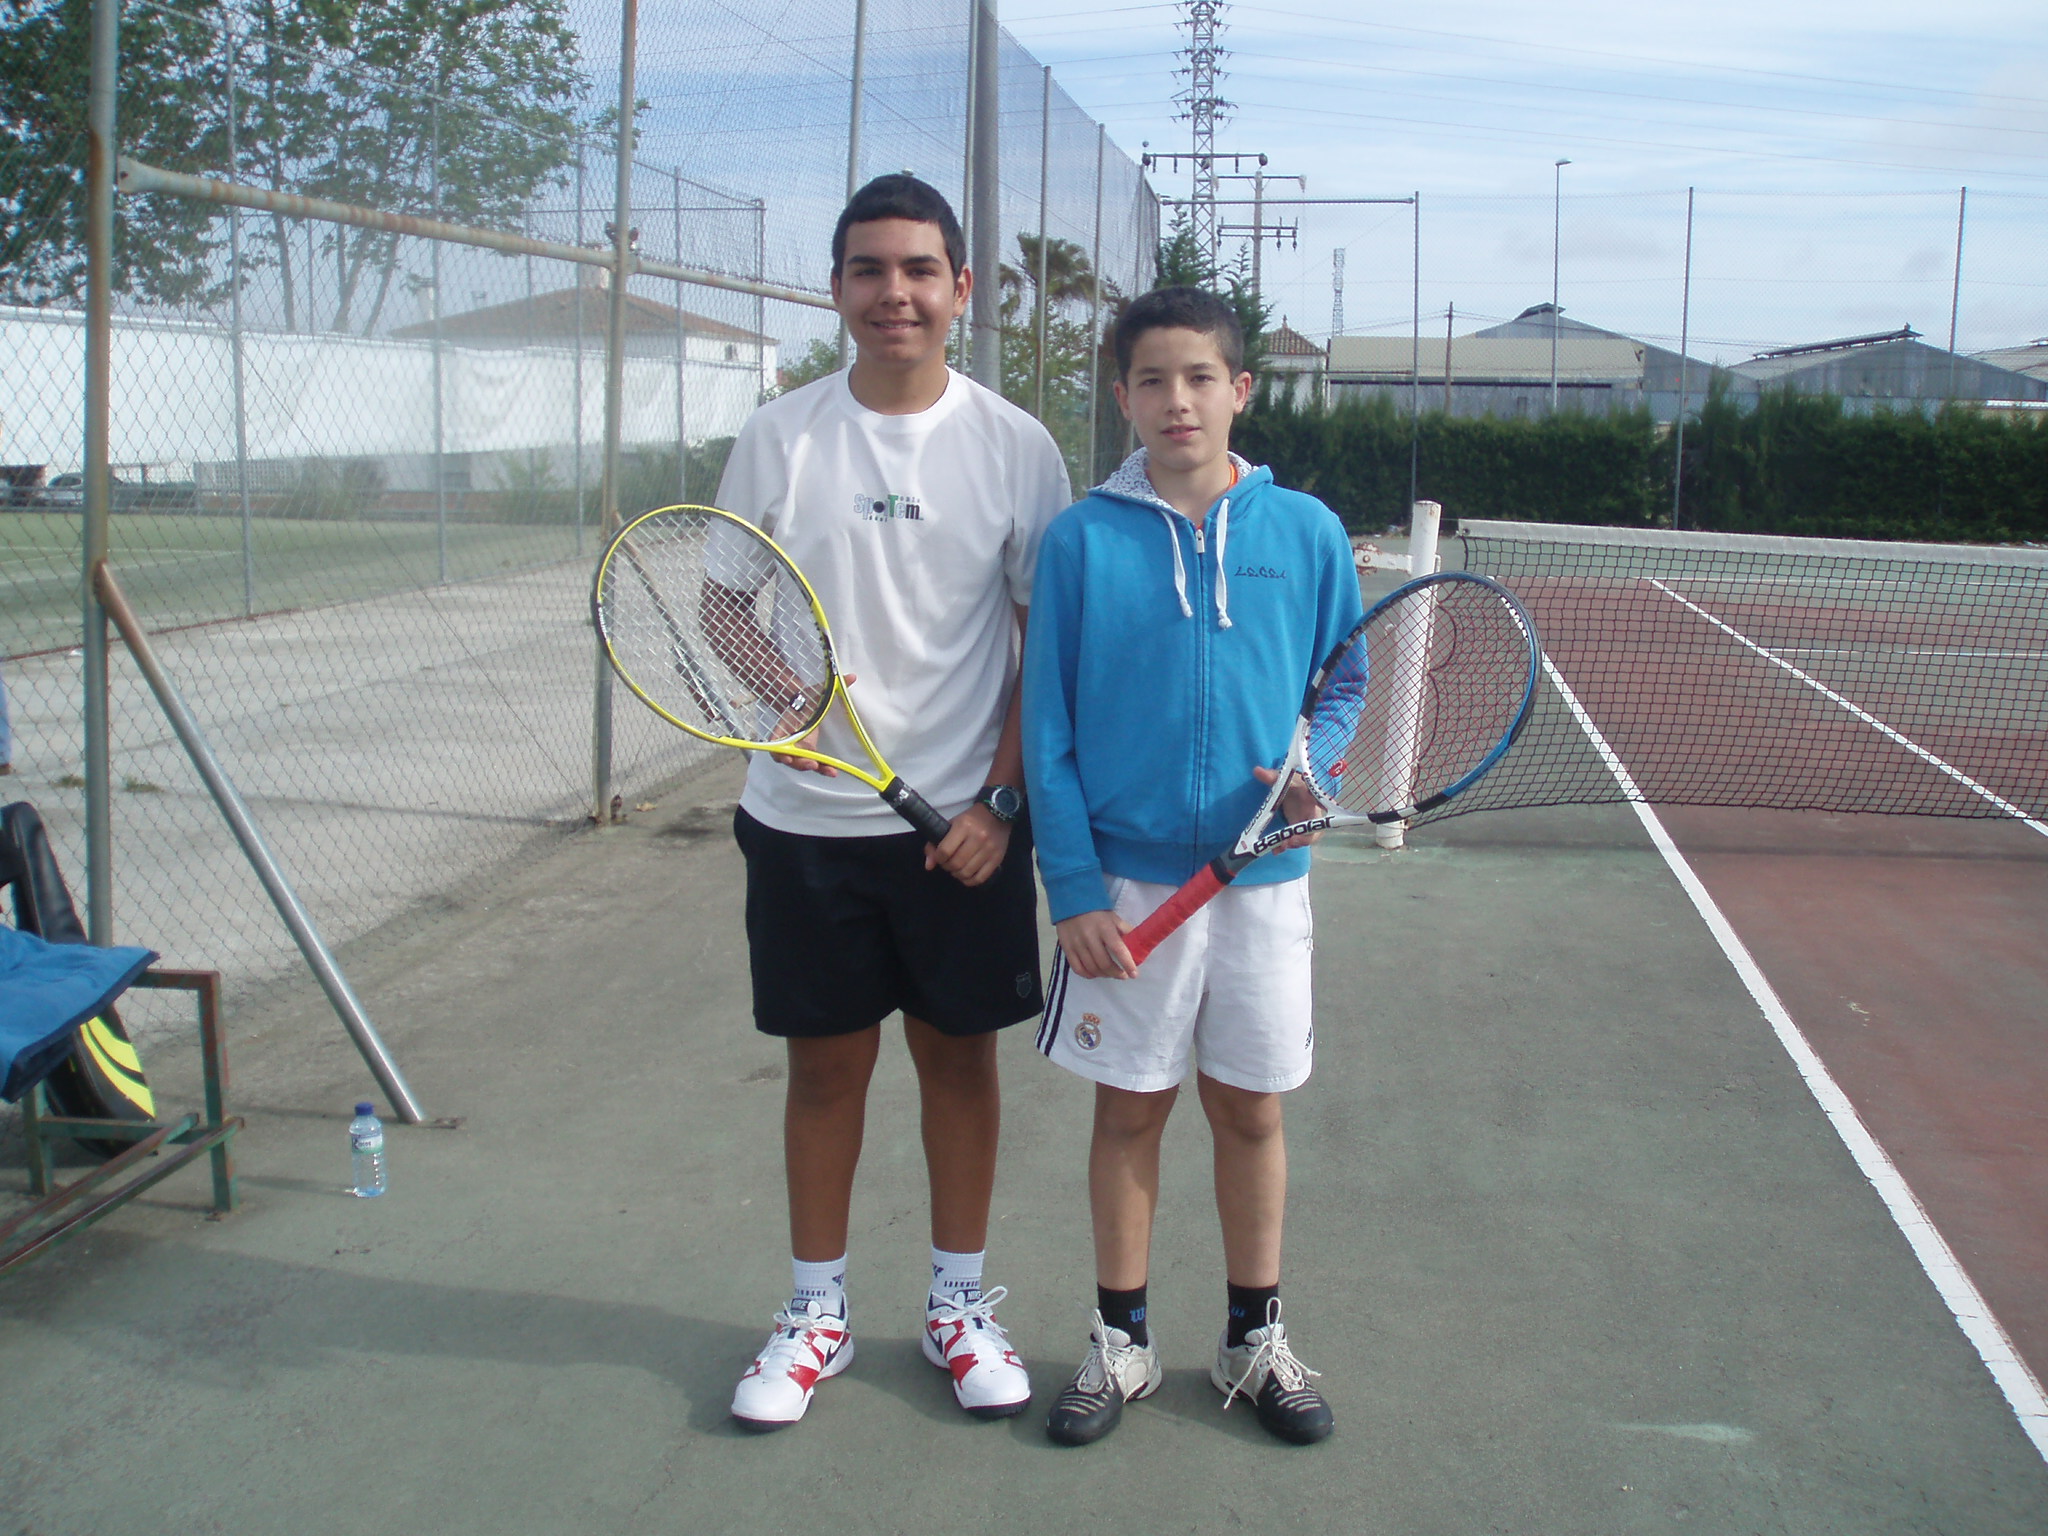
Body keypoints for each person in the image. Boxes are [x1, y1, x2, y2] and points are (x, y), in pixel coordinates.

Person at [717, 174, 1071, 1432]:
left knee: (958, 1066)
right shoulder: (779, 435)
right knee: (824, 1072)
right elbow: (723, 605)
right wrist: (791, 704)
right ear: (836, 288)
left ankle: (956, 1307)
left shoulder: (1016, 446)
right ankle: (814, 1313)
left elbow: (1042, 642)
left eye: (919, 269)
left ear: (960, 289)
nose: (893, 293)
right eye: (867, 269)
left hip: (961, 837)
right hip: (804, 827)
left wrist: (999, 803)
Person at [1022, 286, 1364, 1448]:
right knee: (1129, 1112)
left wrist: (1311, 768)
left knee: (1249, 1112)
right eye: (1152, 380)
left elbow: (1341, 681)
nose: (1178, 401)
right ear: (1122, 397)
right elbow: (1046, 724)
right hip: (1125, 890)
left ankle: (1250, 1340)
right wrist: (1072, 887)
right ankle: (1119, 1342)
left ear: (1239, 391)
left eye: (1200, 378)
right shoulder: (1079, 541)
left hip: (1261, 884)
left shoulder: (1305, 533)